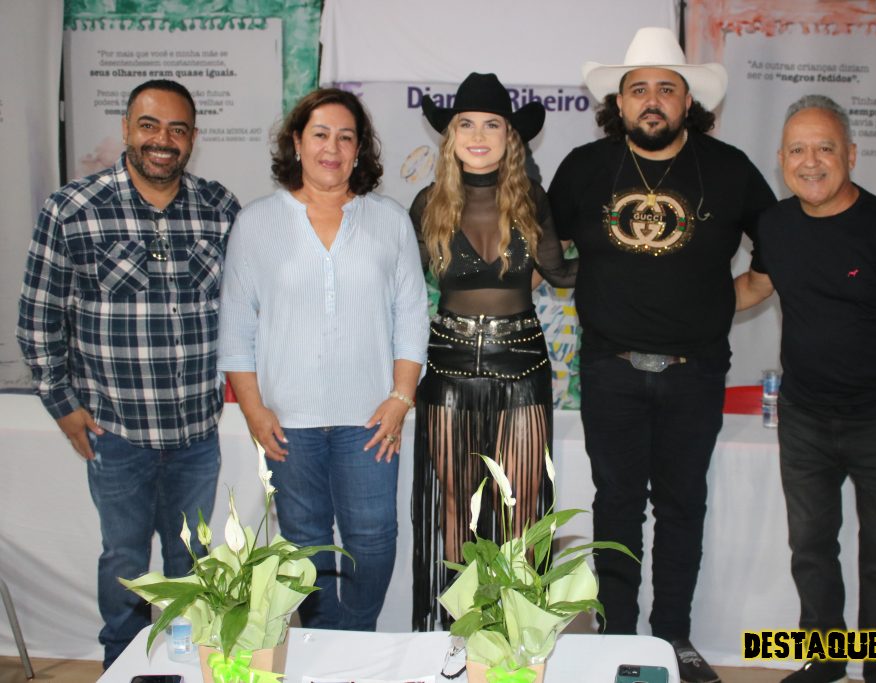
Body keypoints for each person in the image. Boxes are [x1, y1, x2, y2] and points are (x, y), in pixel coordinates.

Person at [547, 27, 776, 682]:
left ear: (687, 101)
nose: (652, 101)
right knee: (616, 506)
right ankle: (616, 638)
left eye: (666, 89)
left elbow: (778, 253)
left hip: (694, 373)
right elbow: (542, 250)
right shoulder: (583, 168)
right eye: (639, 89)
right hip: (609, 370)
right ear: (619, 103)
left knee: (682, 508)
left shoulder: (729, 169)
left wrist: (721, 301)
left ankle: (674, 638)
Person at [16, 79, 240, 668]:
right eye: (149, 125)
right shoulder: (72, 209)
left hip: (196, 434)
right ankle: (122, 665)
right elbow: (38, 320)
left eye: (177, 129)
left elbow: (249, 307)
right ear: (125, 129)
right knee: (124, 560)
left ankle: (187, 667)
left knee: (193, 561)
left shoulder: (219, 208)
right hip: (116, 433)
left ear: (193, 137)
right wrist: (62, 406)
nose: (163, 140)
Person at [734, 95, 876, 683]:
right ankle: (825, 659)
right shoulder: (775, 225)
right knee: (811, 547)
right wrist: (676, 301)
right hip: (804, 420)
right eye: (798, 150)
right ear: (781, 160)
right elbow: (754, 287)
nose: (811, 161)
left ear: (850, 154)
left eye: (825, 148)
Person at [217, 88, 429, 631]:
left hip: (372, 418)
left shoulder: (388, 220)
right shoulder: (256, 223)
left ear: (359, 150)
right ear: (297, 142)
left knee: (373, 539)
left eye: (345, 137)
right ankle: (322, 643)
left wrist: (401, 398)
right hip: (287, 420)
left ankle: (353, 637)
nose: (331, 148)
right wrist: (253, 409)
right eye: (320, 134)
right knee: (305, 542)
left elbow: (411, 316)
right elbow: (236, 326)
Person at [409, 72, 577, 630]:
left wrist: (626, 259)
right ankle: (464, 631)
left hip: (522, 368)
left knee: (521, 504)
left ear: (510, 137)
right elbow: (397, 287)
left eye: (491, 125)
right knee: (457, 503)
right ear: (451, 136)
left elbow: (561, 273)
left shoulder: (532, 200)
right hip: (448, 371)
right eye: (466, 124)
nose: (478, 136)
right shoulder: (427, 204)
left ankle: (516, 629)